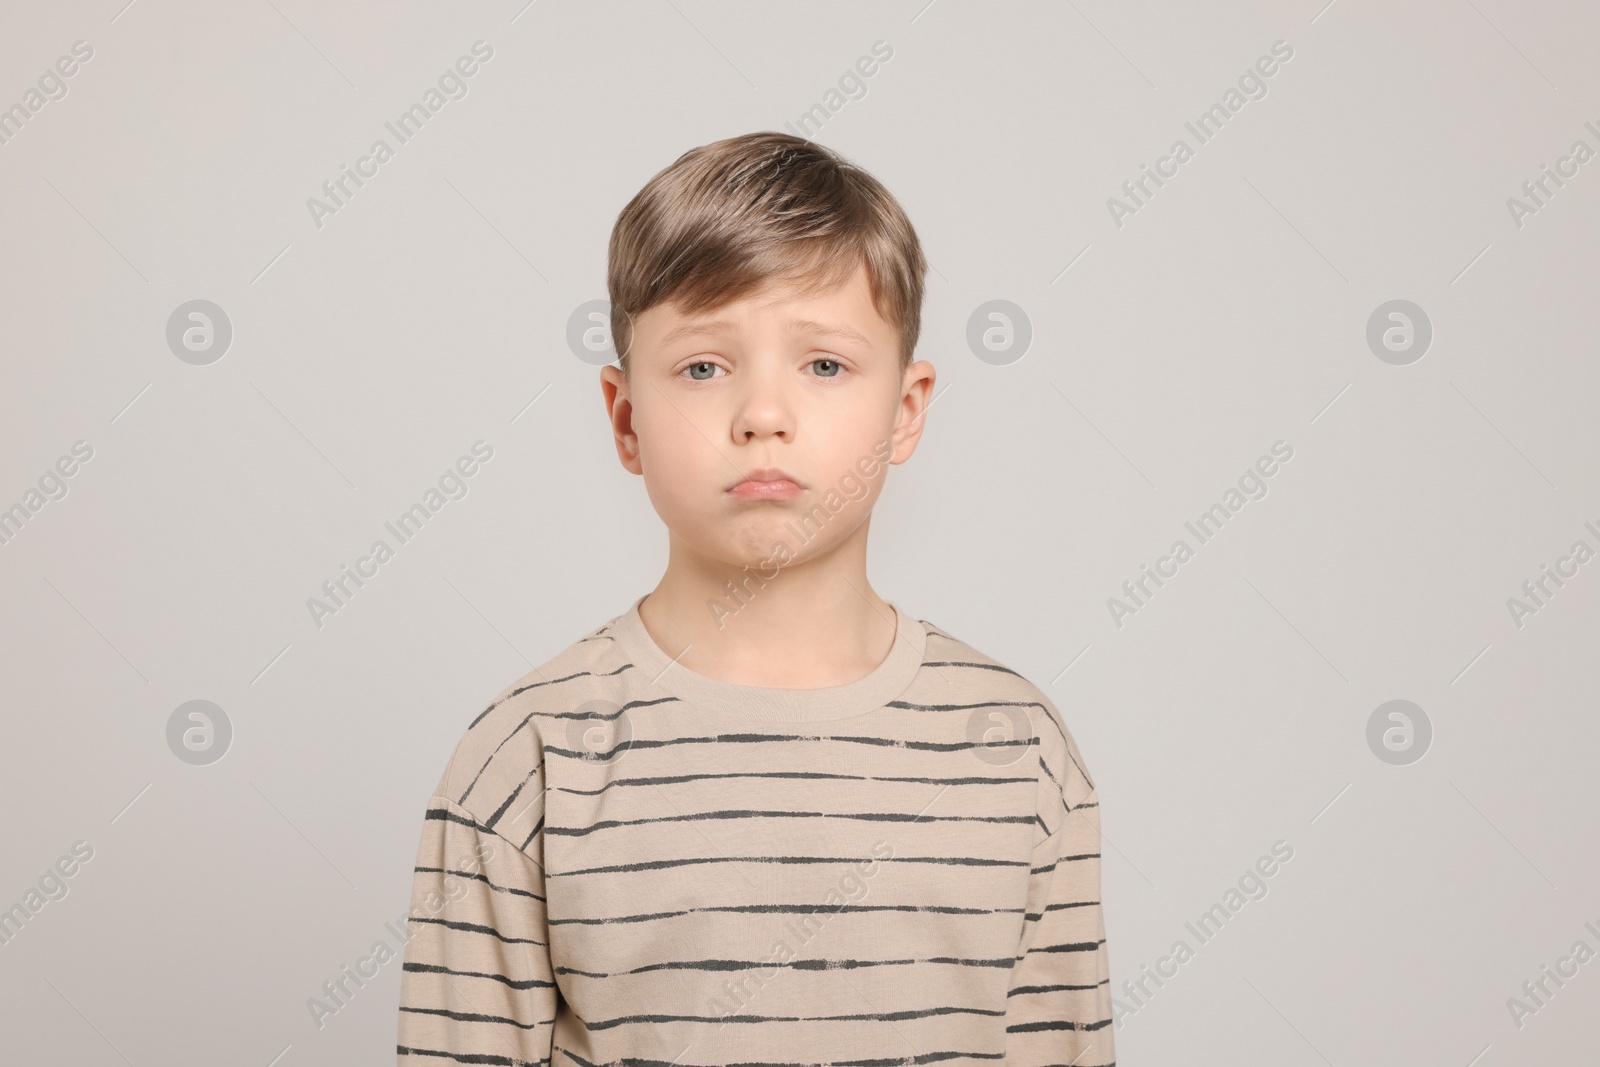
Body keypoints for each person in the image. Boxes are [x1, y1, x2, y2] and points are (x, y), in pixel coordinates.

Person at [395, 130, 1115, 1067]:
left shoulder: (1018, 749)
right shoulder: (530, 757)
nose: (762, 415)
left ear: (907, 410)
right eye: (704, 366)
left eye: (824, 365)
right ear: (625, 419)